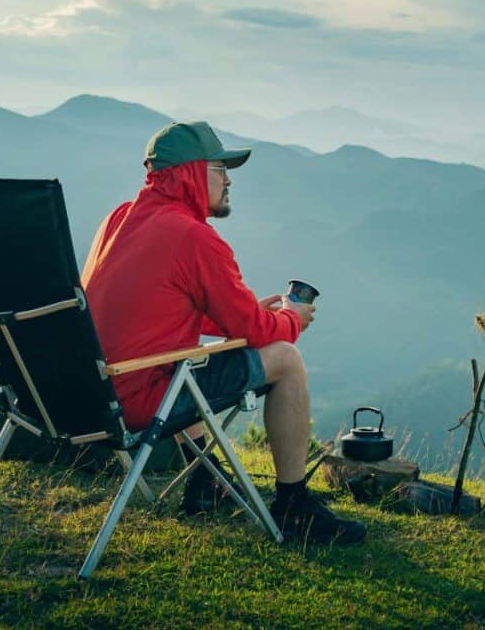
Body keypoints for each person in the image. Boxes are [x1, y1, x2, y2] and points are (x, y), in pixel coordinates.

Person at [81, 121, 366, 545]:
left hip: (86, 395)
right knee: (286, 359)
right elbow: (256, 332)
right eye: (220, 169)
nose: (229, 180)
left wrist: (246, 313)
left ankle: (205, 481)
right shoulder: (192, 237)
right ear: (191, 173)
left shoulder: (120, 218)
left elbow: (154, 307)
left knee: (187, 354)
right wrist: (291, 319)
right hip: (136, 401)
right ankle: (293, 506)